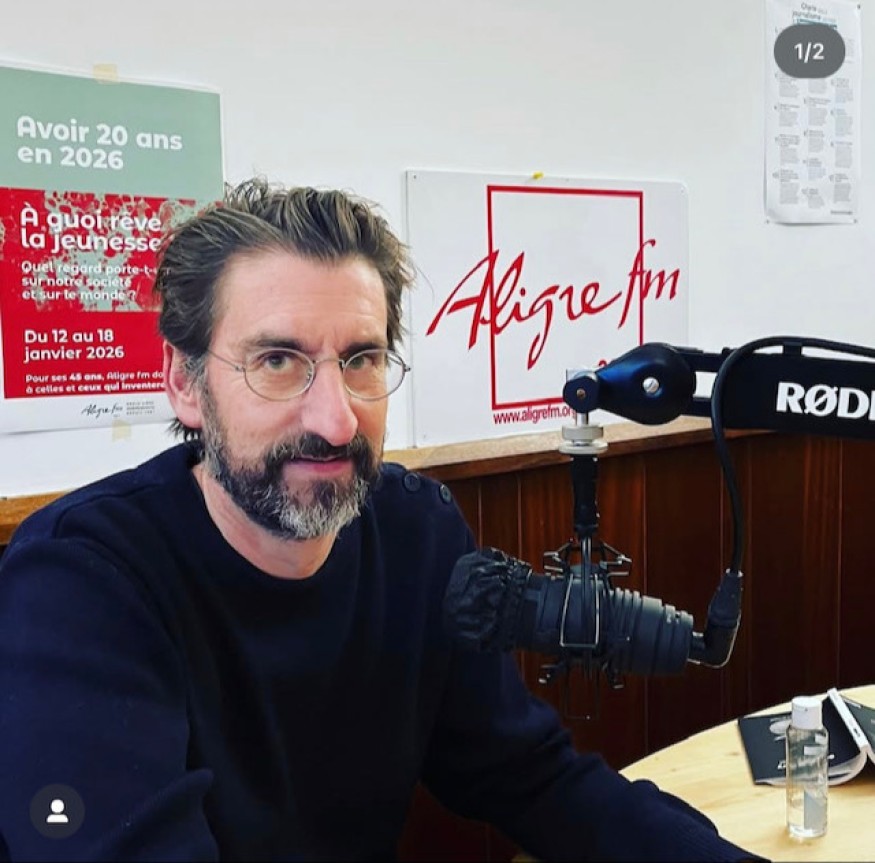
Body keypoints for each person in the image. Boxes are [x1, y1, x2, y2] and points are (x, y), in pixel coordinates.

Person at [0, 178, 762, 862]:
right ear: (184, 383)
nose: (336, 421)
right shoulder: (79, 581)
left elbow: (529, 775)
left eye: (361, 359)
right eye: (277, 361)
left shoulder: (412, 529)